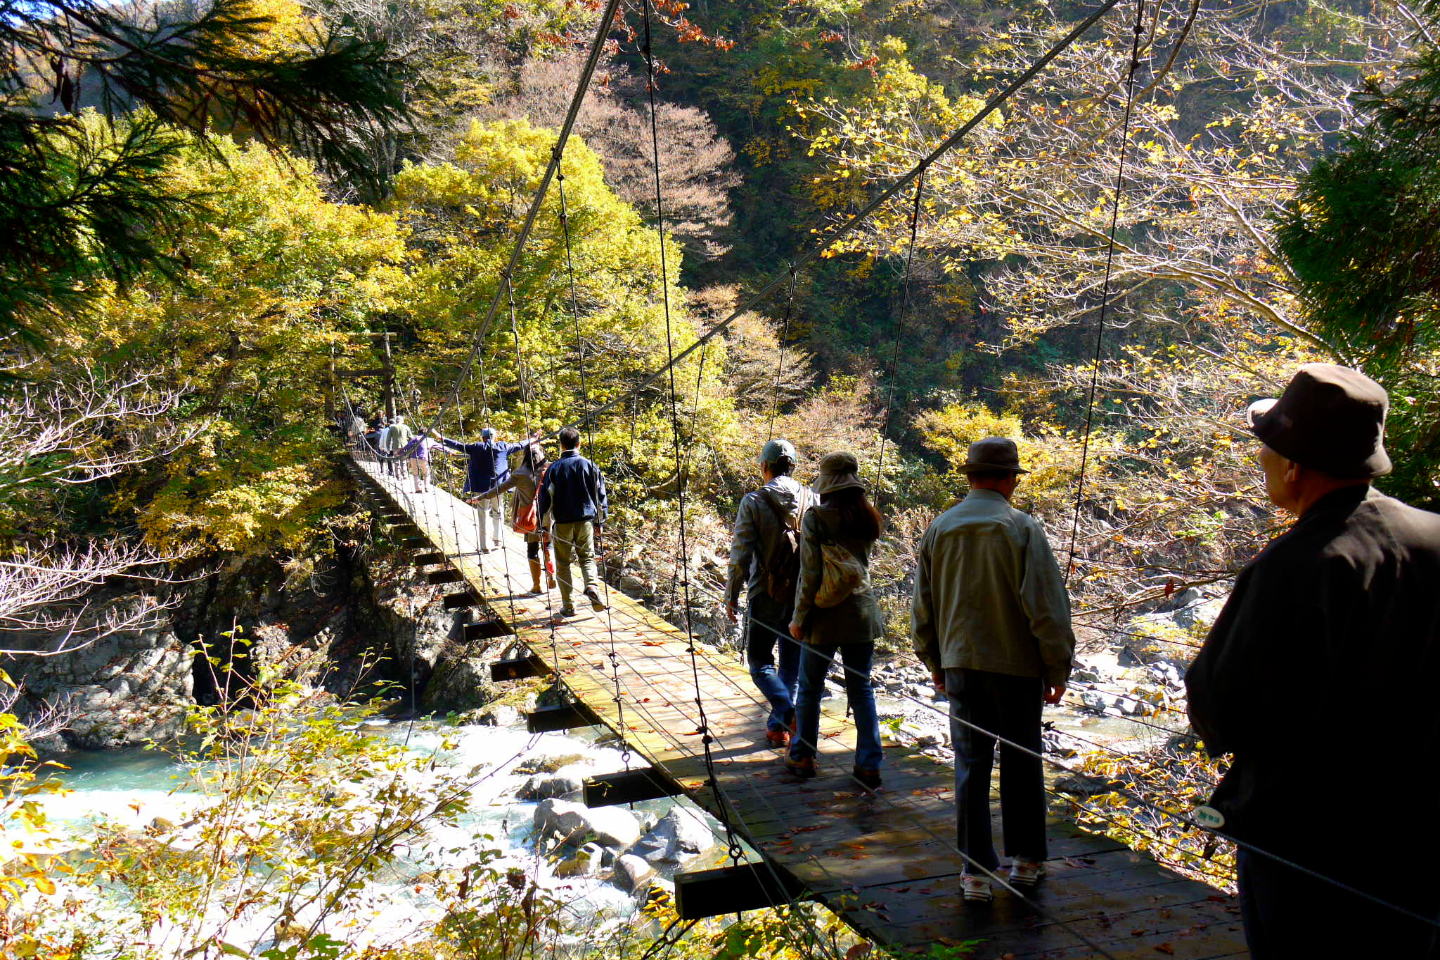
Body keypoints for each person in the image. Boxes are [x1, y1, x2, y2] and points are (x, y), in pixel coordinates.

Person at [1185, 364, 1440, 959]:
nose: (1262, 463)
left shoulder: (1300, 564)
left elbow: (1222, 707)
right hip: (1422, 835)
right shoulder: (1433, 536)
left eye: (1266, 449)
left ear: (1294, 465)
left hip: (1308, 845)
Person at [911, 437, 1074, 903]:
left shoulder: (940, 527)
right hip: (1017, 667)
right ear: (1007, 479)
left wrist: (934, 660)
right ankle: (1025, 861)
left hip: (960, 663)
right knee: (1022, 761)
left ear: (970, 476)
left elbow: (923, 606)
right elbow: (1046, 607)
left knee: (970, 764)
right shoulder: (1021, 527)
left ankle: (975, 872)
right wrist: (1056, 665)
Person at [784, 452, 885, 789]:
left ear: (826, 484)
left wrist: (799, 617)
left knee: (810, 688)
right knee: (861, 689)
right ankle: (869, 764)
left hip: (825, 615)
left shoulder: (816, 518)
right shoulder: (867, 517)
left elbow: (810, 574)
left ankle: (803, 756)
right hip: (861, 613)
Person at [727, 438, 812, 747]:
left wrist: (731, 595)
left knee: (761, 663)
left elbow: (740, 555)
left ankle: (788, 715)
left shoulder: (753, 501)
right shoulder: (812, 498)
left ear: (764, 466)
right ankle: (777, 725)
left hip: (764, 594)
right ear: (793, 467)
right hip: (801, 595)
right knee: (790, 664)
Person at [537, 426, 608, 620]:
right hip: (585, 521)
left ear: (561, 445)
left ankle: (569, 606)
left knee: (563, 564)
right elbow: (600, 495)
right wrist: (600, 522)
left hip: (562, 523)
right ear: (579, 443)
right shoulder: (589, 466)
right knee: (587, 558)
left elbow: (545, 501)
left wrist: (544, 526)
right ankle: (592, 585)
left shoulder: (553, 468)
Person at [474, 438, 555, 596]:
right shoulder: (550, 469)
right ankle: (551, 574)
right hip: (547, 516)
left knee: (532, 550)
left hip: (530, 518)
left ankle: (537, 586)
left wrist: (480, 497)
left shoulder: (520, 474)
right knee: (548, 546)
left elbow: (499, 489)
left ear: (524, 456)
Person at [437, 426, 530, 553]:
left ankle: (484, 546)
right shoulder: (502, 447)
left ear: (483, 437)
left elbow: (459, 445)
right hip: (498, 487)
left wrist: (442, 438)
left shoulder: (476, 447)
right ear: (494, 437)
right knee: (498, 511)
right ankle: (498, 540)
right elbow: (520, 445)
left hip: (480, 488)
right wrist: (533, 438)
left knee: (483, 514)